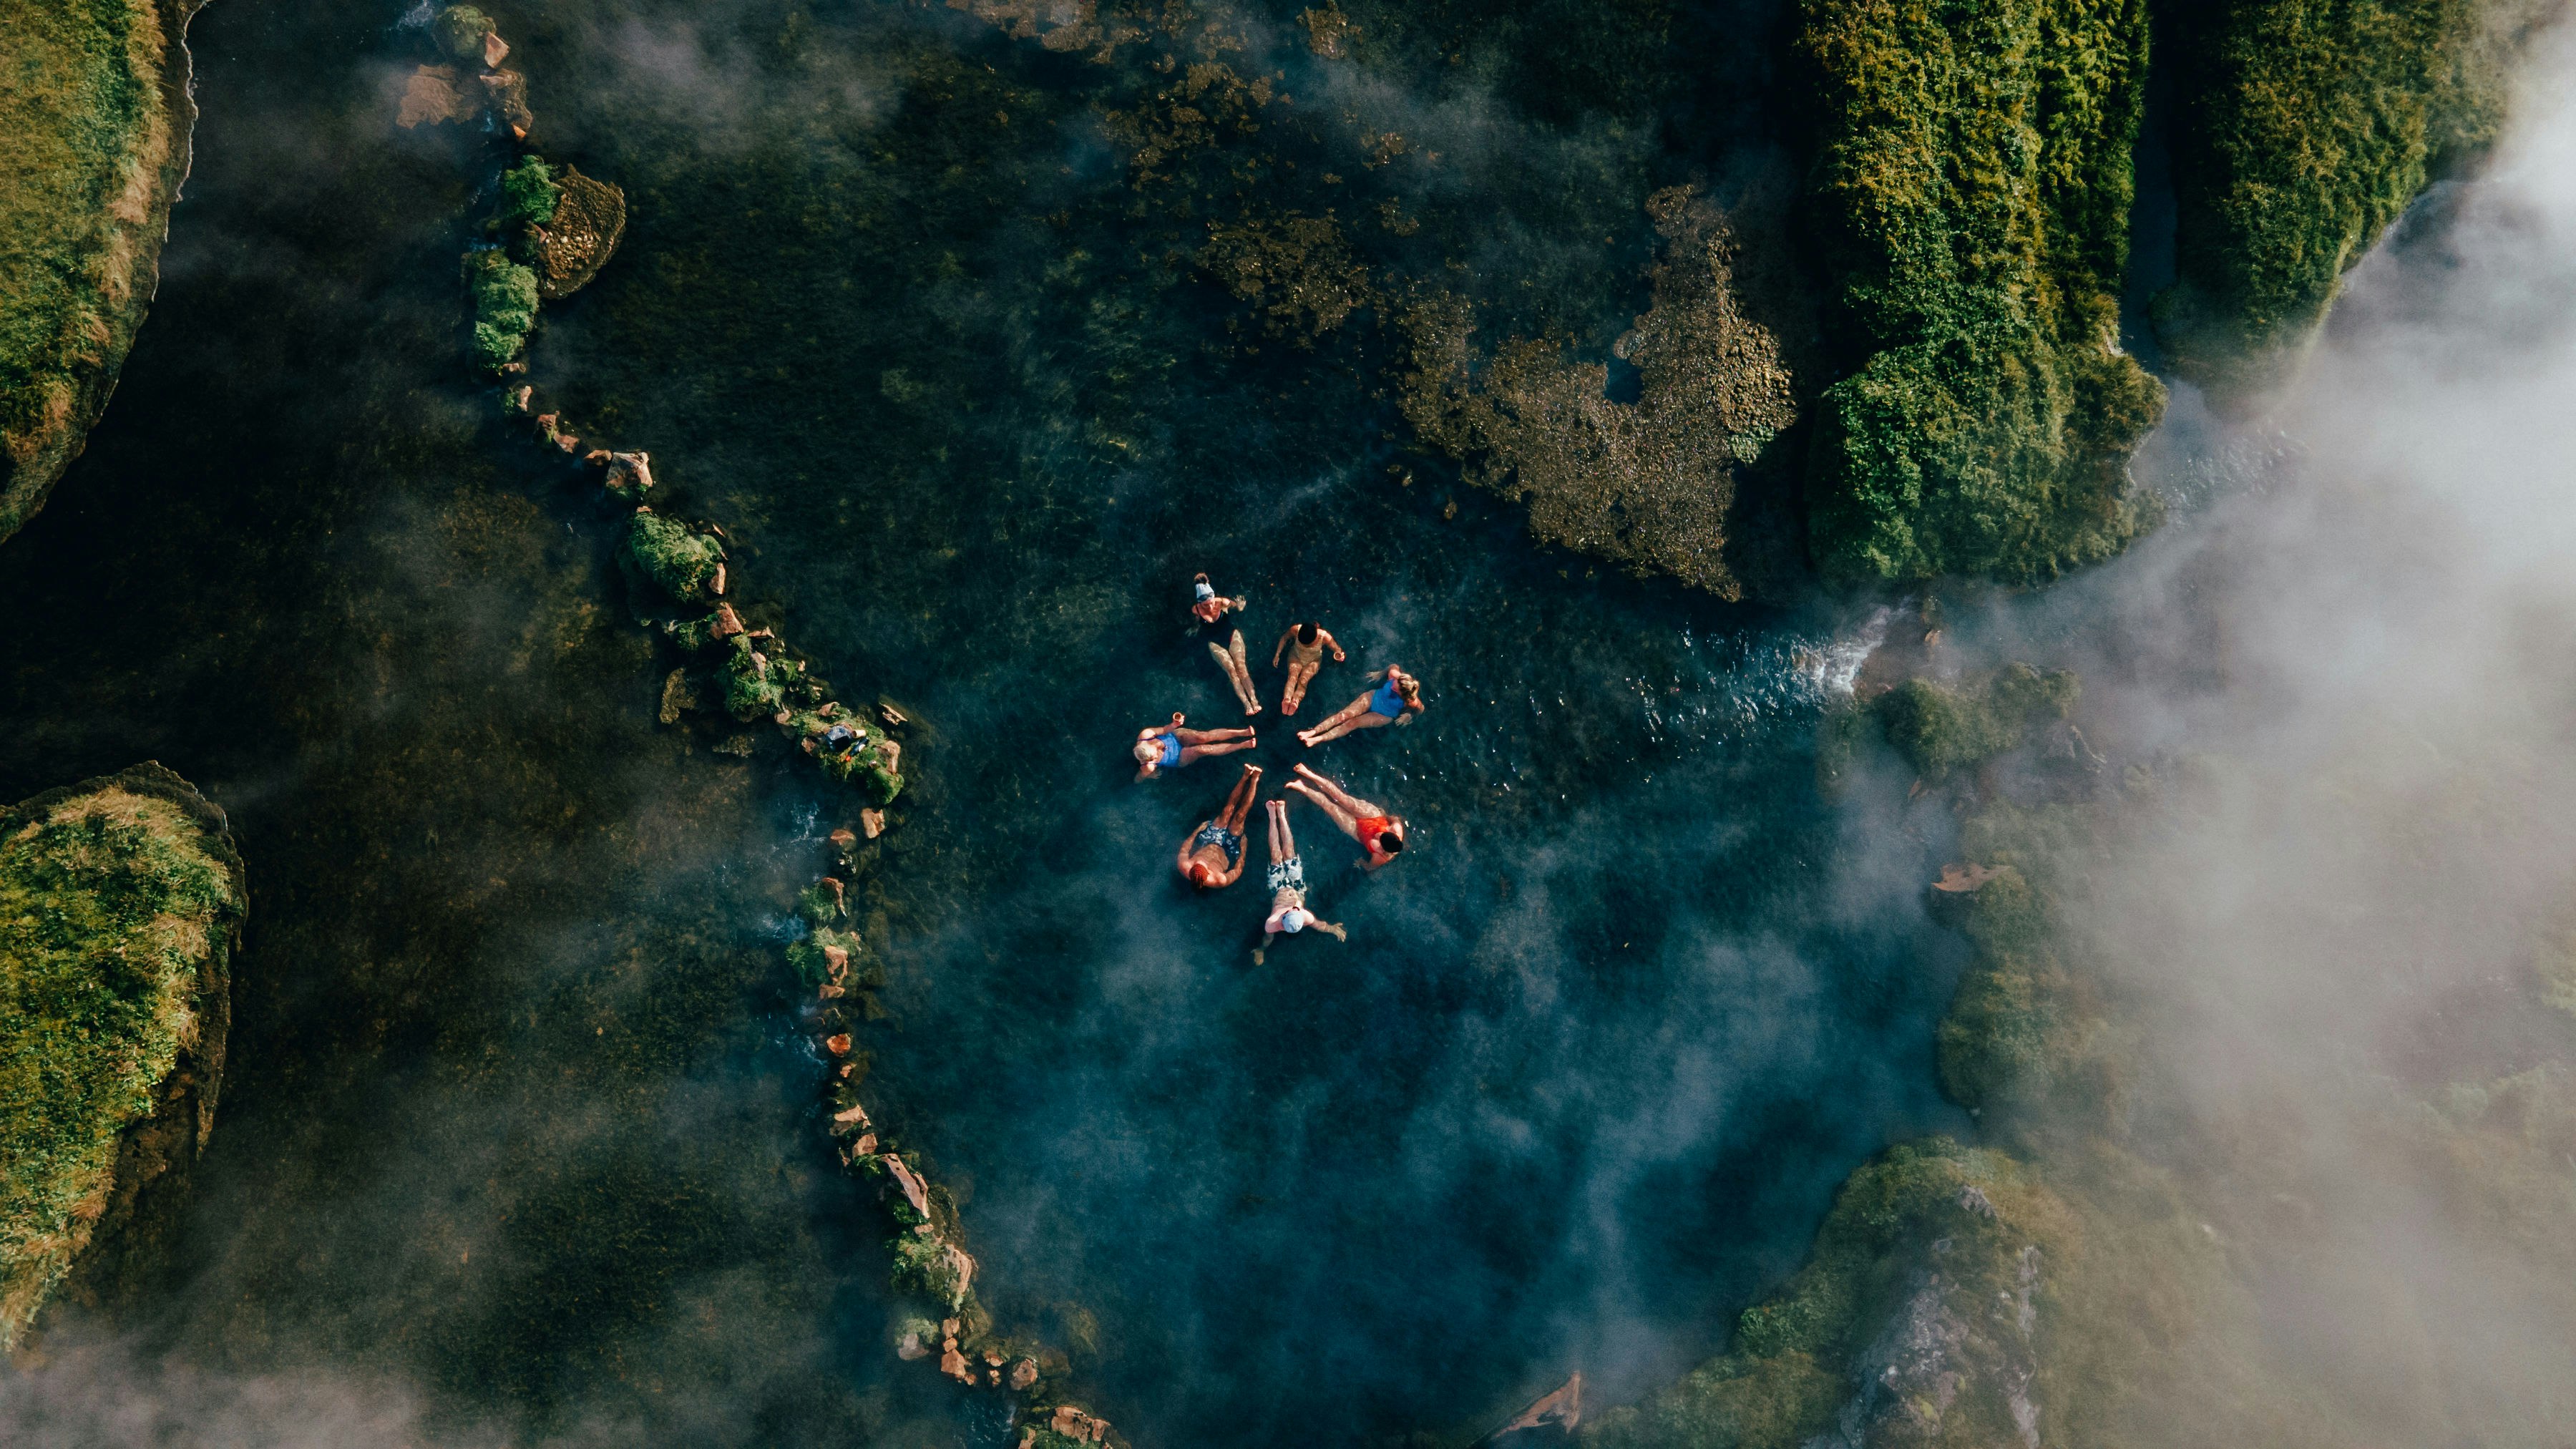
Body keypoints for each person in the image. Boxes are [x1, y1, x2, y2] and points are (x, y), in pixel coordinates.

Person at [1258, 796, 1345, 948]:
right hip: (1296, 887)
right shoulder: (1301, 916)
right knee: (1289, 852)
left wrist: (1261, 950)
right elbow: (1319, 925)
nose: (1293, 908)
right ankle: (1281, 815)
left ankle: (1273, 817)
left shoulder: (1273, 923)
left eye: (1291, 911)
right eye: (1294, 910)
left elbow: (1268, 938)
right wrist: (1331, 929)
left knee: (1276, 855)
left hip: (1277, 889)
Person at [1283, 762, 1406, 869]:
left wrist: (1360, 863)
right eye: (1384, 833)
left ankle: (1302, 787)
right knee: (1341, 798)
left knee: (1330, 807)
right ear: (1392, 833)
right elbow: (1392, 817)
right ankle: (1310, 774)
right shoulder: (1397, 829)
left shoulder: (1380, 857)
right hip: (1374, 817)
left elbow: (1369, 867)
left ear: (1383, 847)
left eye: (1380, 838)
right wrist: (1384, 814)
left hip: (1359, 832)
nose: (1379, 835)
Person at [1176, 765, 1262, 889]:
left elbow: (1185, 849)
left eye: (1197, 862)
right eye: (1203, 865)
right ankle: (1255, 780)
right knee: (1240, 816)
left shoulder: (1184, 866)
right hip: (1229, 849)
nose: (1201, 861)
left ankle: (1245, 776)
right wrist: (1243, 851)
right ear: (1208, 873)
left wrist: (1197, 831)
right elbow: (1238, 870)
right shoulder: (1220, 880)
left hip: (1208, 840)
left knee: (1227, 811)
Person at [1295, 664, 1423, 747]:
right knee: (1343, 716)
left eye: (1396, 688)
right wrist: (1381, 673)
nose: (1393, 684)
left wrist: (1408, 715)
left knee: (1353, 723)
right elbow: (1394, 666)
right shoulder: (1396, 677)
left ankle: (1317, 739)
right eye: (1394, 682)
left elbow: (1420, 709)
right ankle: (1312, 732)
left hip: (1384, 714)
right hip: (1373, 697)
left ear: (1402, 692)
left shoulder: (1410, 700)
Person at [1193, 572, 1261, 716]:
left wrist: (1240, 607)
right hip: (1214, 642)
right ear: (1200, 603)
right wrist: (1194, 628)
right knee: (1232, 672)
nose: (1210, 606)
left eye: (1211, 602)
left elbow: (1236, 606)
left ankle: (1254, 701)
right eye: (1206, 605)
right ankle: (1247, 705)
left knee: (1242, 667)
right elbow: (1197, 621)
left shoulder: (1222, 602)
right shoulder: (1196, 609)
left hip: (1230, 635)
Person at [1133, 713, 1256, 781]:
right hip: (1176, 757)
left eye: (1155, 752)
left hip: (1174, 738)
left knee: (1203, 737)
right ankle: (1242, 745)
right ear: (1149, 760)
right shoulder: (1147, 766)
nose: (1156, 755)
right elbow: (1139, 779)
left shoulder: (1146, 735)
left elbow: (1164, 730)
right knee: (1204, 749)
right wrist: (1149, 775)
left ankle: (1243, 732)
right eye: (1154, 757)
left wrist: (1174, 725)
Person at [1269, 621, 1345, 715]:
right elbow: (1284, 638)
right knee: (1293, 676)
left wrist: (1340, 655)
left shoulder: (1325, 637)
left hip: (1313, 660)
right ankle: (1287, 699)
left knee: (1304, 680)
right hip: (1296, 656)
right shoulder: (1296, 630)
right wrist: (1277, 654)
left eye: (1308, 644)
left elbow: (1337, 648)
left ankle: (1295, 700)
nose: (1305, 645)